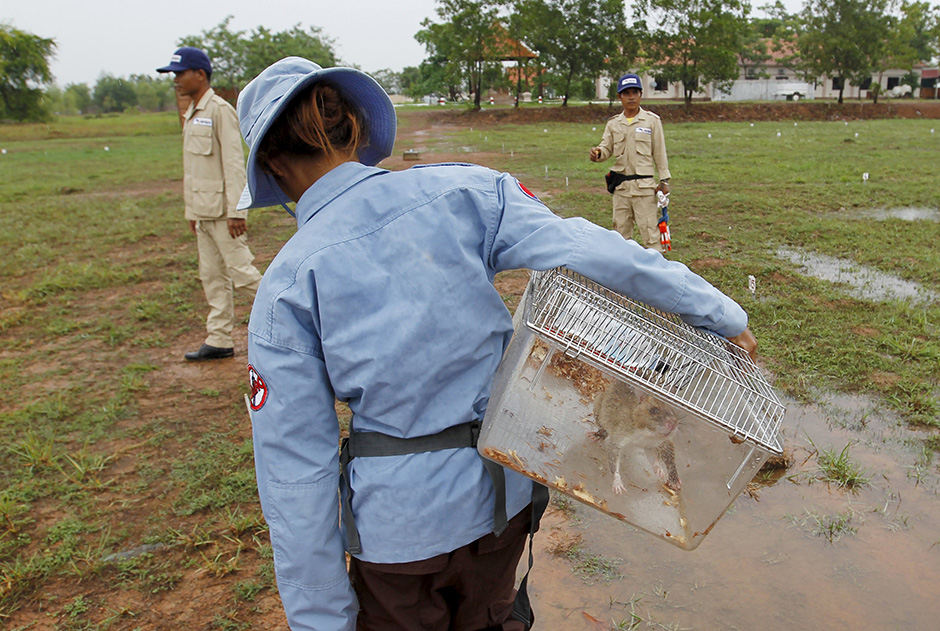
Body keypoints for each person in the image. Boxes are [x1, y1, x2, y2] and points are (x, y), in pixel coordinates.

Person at [236, 57, 757, 631]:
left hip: (402, 537)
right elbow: (590, 248)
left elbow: (295, 474)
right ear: (356, 129)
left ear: (272, 166)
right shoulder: (463, 190)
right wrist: (719, 312)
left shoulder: (286, 286)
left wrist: (322, 621)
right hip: (500, 505)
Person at [157, 47, 263, 361]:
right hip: (203, 213)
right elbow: (195, 169)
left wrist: (236, 211)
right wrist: (192, 212)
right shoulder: (191, 113)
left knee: (242, 274)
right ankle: (219, 339)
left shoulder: (219, 111)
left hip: (222, 213)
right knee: (212, 277)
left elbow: (233, 164)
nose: (175, 80)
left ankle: (298, 319)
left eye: (179, 73)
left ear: (199, 74)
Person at [590, 73, 671, 252]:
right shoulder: (613, 124)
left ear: (641, 94)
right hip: (621, 190)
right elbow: (606, 148)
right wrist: (597, 154)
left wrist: (664, 180)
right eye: (627, 93)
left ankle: (655, 275)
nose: (631, 97)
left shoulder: (652, 121)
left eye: (635, 92)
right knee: (620, 237)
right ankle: (622, 276)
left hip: (644, 188)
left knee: (650, 235)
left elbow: (659, 152)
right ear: (620, 96)